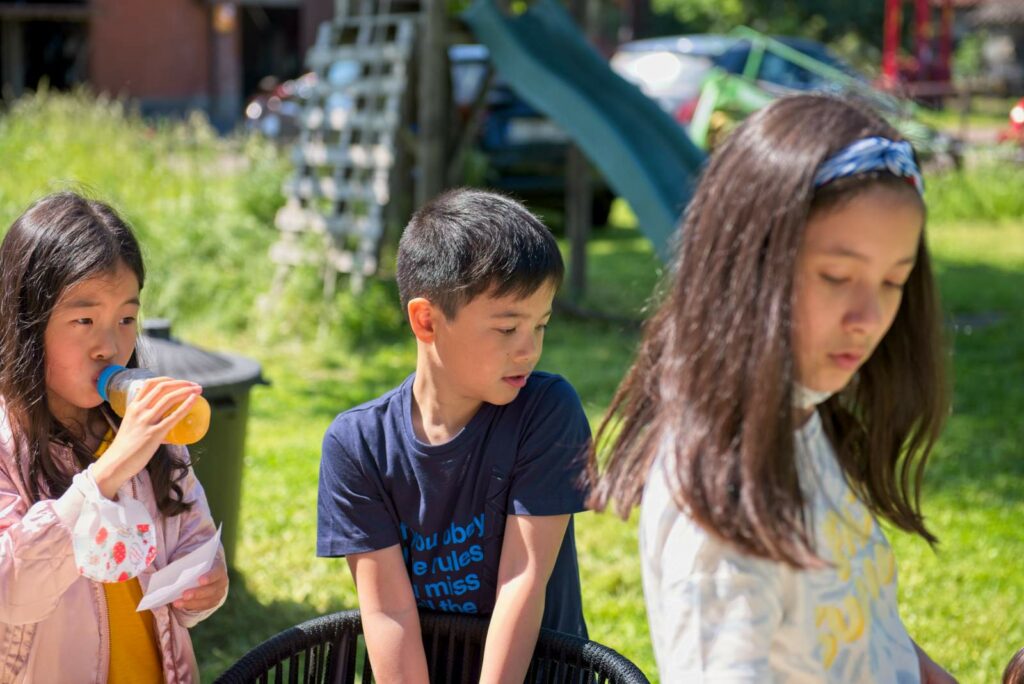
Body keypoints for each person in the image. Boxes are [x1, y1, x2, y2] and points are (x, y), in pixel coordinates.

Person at [588, 94, 957, 683]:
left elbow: (859, 623)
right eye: (837, 276)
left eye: (894, 280)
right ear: (749, 267)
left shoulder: (805, 419)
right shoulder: (718, 509)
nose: (869, 316)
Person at [317, 188, 589, 682]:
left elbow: (521, 581)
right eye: (508, 330)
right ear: (427, 320)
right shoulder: (356, 447)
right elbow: (388, 613)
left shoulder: (547, 411)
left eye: (541, 325)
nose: (529, 351)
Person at [0, 192, 228, 683]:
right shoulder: (6, 442)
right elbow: (10, 593)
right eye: (84, 320)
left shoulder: (148, 428)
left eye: (126, 318)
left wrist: (209, 584)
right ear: (27, 324)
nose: (111, 346)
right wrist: (110, 469)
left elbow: (194, 535)